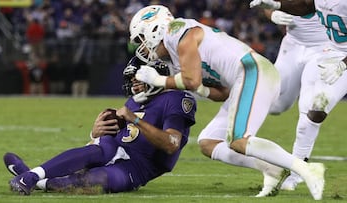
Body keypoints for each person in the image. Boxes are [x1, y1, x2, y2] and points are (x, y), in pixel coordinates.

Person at [130, 5, 325, 200]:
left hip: (252, 71)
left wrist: (159, 81)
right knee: (208, 142)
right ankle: (271, 169)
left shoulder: (178, 32)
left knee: (238, 140)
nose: (142, 46)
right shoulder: (175, 56)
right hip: (243, 79)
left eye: (141, 38)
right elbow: (221, 92)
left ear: (154, 30)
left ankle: (306, 169)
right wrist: (194, 89)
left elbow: (191, 80)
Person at [5, 57, 197, 195]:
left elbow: (171, 144)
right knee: (100, 150)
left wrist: (134, 119)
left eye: (138, 80)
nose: (134, 86)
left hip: (138, 167)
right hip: (113, 148)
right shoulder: (133, 101)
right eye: (132, 81)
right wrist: (94, 133)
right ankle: (31, 176)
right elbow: (112, 136)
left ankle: (34, 179)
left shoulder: (176, 98)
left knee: (97, 181)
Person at [250, 0, 347, 191]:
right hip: (327, 53)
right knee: (288, 106)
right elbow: (305, 6)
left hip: (335, 55)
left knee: (315, 110)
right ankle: (295, 174)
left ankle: (295, 175)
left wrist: (343, 64)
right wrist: (274, 8)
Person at [263, 9, 330, 190]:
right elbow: (266, 4)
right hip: (292, 45)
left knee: (308, 111)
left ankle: (296, 173)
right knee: (273, 104)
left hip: (324, 48)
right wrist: (272, 14)